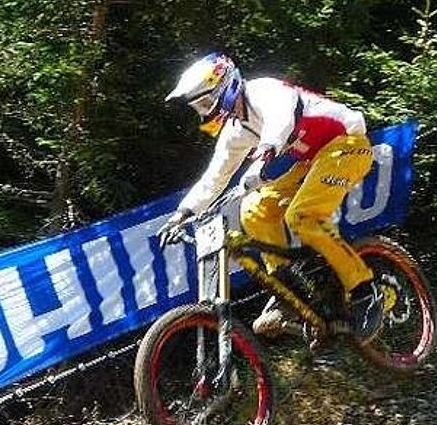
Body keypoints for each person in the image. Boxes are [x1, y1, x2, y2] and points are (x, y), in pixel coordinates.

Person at [158, 51, 383, 340]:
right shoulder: (237, 131)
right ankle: (288, 290)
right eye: (199, 106)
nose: (204, 111)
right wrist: (183, 213)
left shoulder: (263, 90)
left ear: (225, 85)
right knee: (253, 208)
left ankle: (365, 290)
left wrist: (264, 155)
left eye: (205, 101)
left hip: (348, 144)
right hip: (313, 161)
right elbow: (216, 176)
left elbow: (282, 120)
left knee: (301, 216)